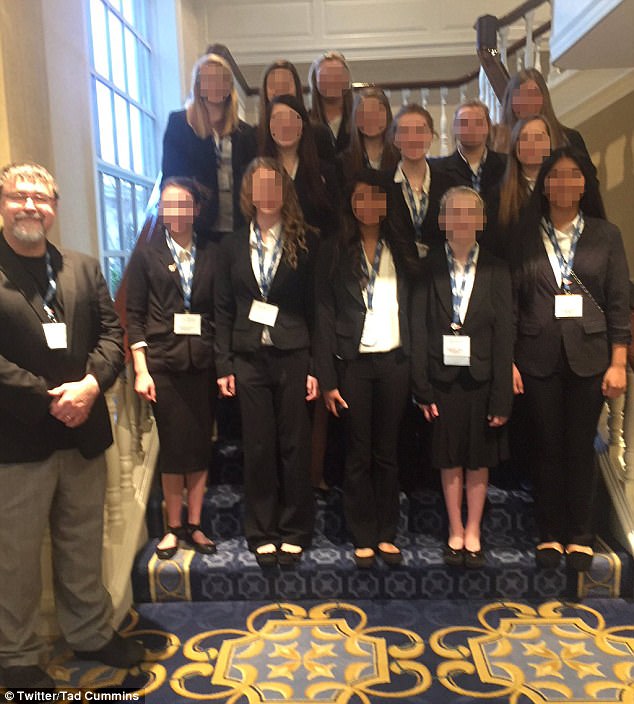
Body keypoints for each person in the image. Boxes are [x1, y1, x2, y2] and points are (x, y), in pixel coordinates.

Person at [0, 163, 144, 689]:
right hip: (15, 440)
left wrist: (89, 387)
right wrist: (45, 398)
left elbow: (112, 334)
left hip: (83, 430)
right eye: (20, 196)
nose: (32, 206)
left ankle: (89, 633)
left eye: (42, 197)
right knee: (13, 556)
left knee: (82, 541)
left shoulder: (81, 268)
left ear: (55, 206)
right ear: (2, 203)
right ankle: (15, 657)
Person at [512, 147, 630, 571]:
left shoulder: (605, 234)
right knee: (545, 446)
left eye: (573, 176)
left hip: (590, 356)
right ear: (544, 185)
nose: (563, 183)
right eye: (555, 176)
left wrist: (618, 361)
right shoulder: (524, 235)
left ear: (585, 184)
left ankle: (580, 534)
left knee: (580, 446)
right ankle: (549, 534)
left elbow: (618, 302)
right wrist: (509, 360)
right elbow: (512, 302)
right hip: (535, 356)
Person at [215, 158, 318, 566]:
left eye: (274, 186)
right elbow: (223, 309)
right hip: (248, 357)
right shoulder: (230, 245)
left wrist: (315, 367)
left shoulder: (306, 240)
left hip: (293, 353)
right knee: (257, 445)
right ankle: (262, 530)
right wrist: (223, 364)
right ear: (248, 193)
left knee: (295, 444)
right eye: (259, 186)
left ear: (284, 192)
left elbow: (315, 309)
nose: (267, 194)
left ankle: (295, 529)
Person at [315, 169, 416, 568]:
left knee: (388, 451)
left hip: (395, 361)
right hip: (352, 363)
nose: (368, 206)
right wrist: (327, 378)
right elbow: (322, 316)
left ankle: (386, 533)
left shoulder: (402, 249)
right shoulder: (335, 249)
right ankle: (362, 534)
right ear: (351, 205)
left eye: (376, 198)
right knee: (357, 452)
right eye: (360, 199)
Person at [411, 186, 513, 568]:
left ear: (481, 220)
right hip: (441, 379)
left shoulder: (497, 268)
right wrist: (421, 387)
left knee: (478, 457)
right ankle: (454, 528)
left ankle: (474, 530)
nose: (462, 219)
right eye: (453, 212)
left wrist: (503, 395)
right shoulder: (428, 267)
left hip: (483, 378)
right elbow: (419, 328)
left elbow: (505, 335)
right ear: (442, 221)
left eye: (470, 212)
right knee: (449, 456)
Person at [126, 179, 217, 560]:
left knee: (198, 446)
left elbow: (220, 310)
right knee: (174, 450)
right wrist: (141, 370)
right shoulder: (146, 256)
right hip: (163, 364)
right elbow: (134, 315)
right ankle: (172, 527)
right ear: (161, 211)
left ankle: (194, 526)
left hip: (203, 363)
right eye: (168, 205)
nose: (176, 211)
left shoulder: (213, 253)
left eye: (183, 204)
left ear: (196, 209)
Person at [161, 52, 256, 241]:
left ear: (230, 86)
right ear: (198, 85)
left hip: (238, 229)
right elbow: (171, 176)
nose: (215, 85)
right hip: (196, 227)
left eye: (221, 79)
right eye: (207, 79)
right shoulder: (180, 124)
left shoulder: (245, 132)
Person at [260, 94, 338, 237]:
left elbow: (333, 225)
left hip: (317, 254)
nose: (285, 125)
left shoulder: (325, 172)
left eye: (291, 119)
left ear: (303, 126)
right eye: (277, 120)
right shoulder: (257, 173)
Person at [388, 104, 457, 257]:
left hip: (440, 273)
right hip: (396, 271)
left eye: (420, 131)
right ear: (395, 139)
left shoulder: (450, 185)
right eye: (405, 131)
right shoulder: (382, 185)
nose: (413, 138)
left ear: (431, 136)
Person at [486, 115, 553, 259]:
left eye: (538, 138)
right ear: (515, 146)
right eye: (524, 138)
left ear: (550, 144)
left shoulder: (565, 187)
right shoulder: (497, 196)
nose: (532, 144)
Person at [493, 68, 593, 164]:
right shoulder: (498, 146)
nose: (527, 102)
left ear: (544, 99)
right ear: (510, 102)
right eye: (520, 96)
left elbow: (590, 180)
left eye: (533, 95)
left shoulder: (570, 139)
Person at [432, 100, 506, 214]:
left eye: (477, 122)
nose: (471, 128)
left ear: (488, 126)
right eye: (464, 122)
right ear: (454, 128)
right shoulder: (437, 170)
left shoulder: (507, 165)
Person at [258, 59, 334, 162]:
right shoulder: (250, 138)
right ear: (265, 90)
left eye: (286, 83)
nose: (280, 89)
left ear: (297, 88)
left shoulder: (319, 134)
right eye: (273, 84)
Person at [339, 87, 400, 183]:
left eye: (377, 113)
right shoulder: (343, 161)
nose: (371, 119)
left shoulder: (400, 157)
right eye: (365, 113)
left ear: (387, 116)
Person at [308, 51, 353, 155]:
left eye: (338, 75)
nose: (332, 81)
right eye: (325, 76)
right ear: (315, 81)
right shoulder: (305, 121)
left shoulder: (360, 117)